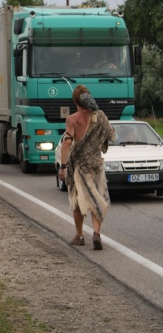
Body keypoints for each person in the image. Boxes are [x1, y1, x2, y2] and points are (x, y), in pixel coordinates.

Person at [59, 85, 115, 250]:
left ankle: (80, 235)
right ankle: (96, 233)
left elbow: (67, 143)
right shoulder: (101, 116)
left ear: (76, 101)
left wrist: (62, 167)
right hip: (96, 164)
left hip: (79, 165)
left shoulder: (72, 119)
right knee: (96, 198)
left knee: (78, 201)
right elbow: (111, 135)